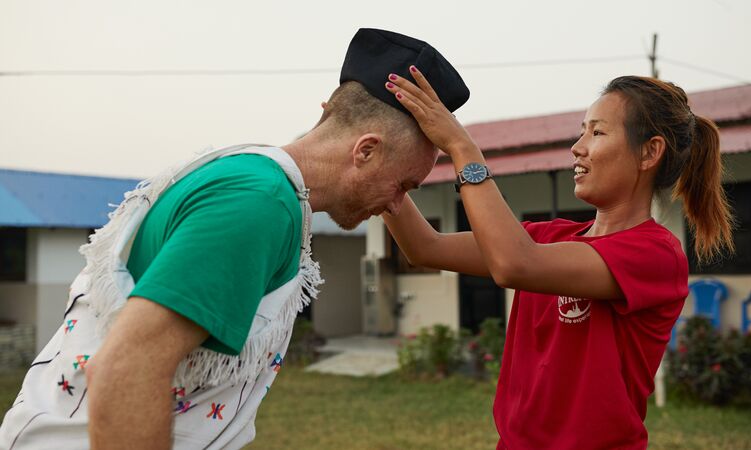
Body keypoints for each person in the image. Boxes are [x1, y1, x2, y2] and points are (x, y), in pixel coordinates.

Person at [0, 28, 469, 449]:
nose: (395, 206)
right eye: (404, 185)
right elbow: (128, 370)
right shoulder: (259, 204)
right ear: (365, 151)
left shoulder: (255, 177)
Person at [382, 70, 733, 449]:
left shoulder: (655, 254)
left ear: (650, 152)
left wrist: (461, 147)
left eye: (597, 133)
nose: (577, 147)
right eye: (582, 131)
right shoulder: (547, 238)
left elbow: (513, 264)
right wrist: (382, 169)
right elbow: (425, 247)